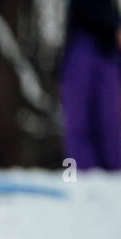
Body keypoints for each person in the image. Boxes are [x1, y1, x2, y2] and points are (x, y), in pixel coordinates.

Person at [59, 0, 121, 171]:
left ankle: (114, 175)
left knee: (111, 121)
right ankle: (78, 176)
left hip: (107, 50)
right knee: (78, 120)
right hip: (83, 45)